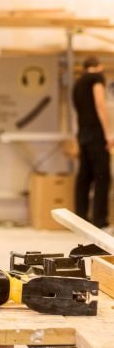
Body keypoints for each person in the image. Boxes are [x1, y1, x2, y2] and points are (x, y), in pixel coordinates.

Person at [72, 55, 113, 228]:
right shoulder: (96, 78)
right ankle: (99, 220)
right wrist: (108, 133)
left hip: (83, 135)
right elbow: (99, 105)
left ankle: (80, 218)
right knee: (103, 177)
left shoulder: (77, 84)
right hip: (96, 134)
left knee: (84, 177)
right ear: (98, 67)